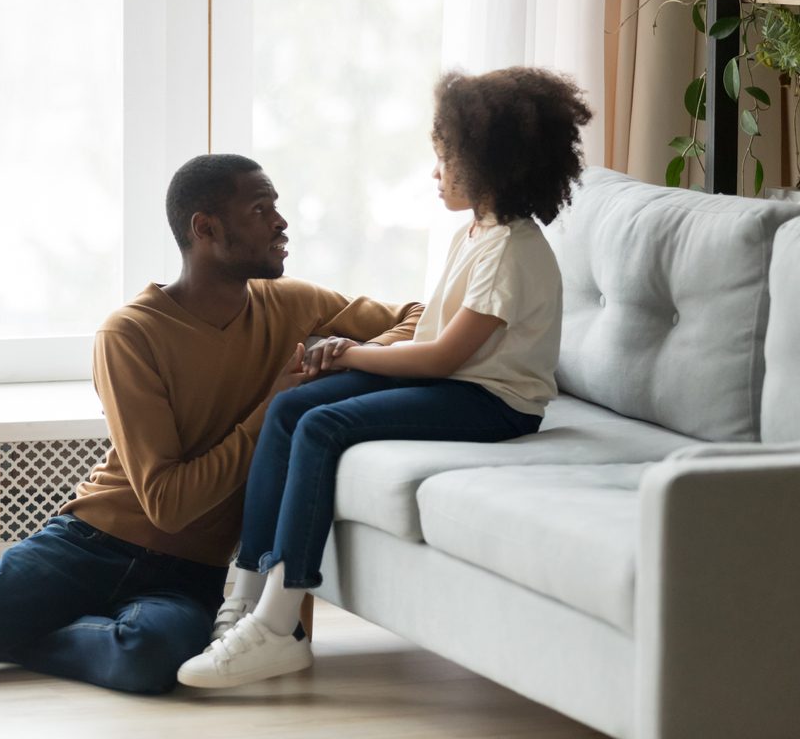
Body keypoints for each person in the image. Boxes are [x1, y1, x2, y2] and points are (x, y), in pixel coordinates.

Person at [0, 153, 422, 694]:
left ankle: (2, 634)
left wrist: (342, 358)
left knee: (157, 659)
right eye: (261, 209)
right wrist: (275, 406)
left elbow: (423, 317)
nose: (282, 222)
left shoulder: (297, 306)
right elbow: (169, 504)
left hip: (191, 575)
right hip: (88, 548)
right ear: (205, 228)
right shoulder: (131, 334)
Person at [176, 67, 593, 689]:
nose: (435, 173)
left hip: (497, 402)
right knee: (294, 407)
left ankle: (277, 625)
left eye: (444, 158)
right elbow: (431, 349)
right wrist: (346, 354)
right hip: (458, 385)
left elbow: (440, 361)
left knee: (321, 424)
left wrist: (349, 353)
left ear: (489, 163)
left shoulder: (511, 252)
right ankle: (244, 599)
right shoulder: (476, 233)